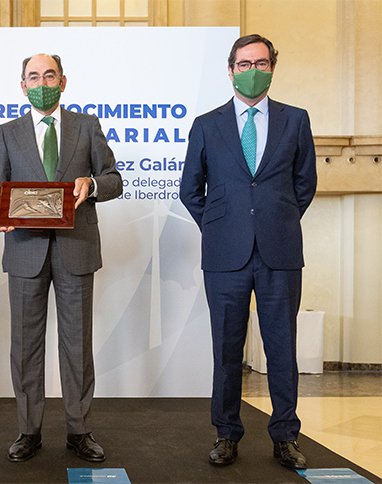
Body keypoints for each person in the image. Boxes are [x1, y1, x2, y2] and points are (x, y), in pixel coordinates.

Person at [180, 34, 317, 469]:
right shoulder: (207, 123)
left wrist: (275, 219)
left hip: (279, 252)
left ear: (272, 67)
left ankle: (285, 436)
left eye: (260, 62)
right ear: (231, 69)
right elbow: (191, 189)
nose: (252, 70)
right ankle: (226, 434)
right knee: (226, 348)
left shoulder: (295, 120)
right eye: (244, 64)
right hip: (224, 256)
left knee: (282, 348)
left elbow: (305, 183)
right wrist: (220, 227)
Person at [0, 53, 122, 463]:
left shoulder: (87, 126)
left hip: (76, 249)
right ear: (22, 86)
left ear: (63, 81)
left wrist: (91, 184)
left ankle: (79, 431)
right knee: (25, 346)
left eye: (49, 74)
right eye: (33, 76)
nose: (41, 81)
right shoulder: (7, 133)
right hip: (25, 250)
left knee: (77, 345)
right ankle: (29, 430)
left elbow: (113, 180)